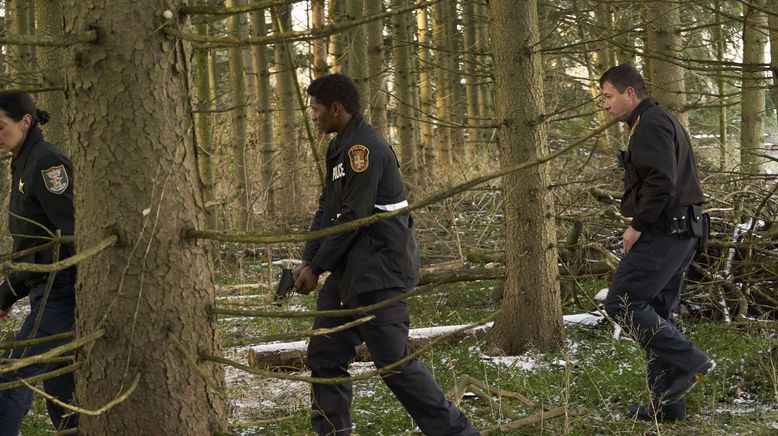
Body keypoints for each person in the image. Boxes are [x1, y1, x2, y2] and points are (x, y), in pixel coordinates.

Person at [293, 74, 478, 436]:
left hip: (380, 271)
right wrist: (308, 258)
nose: (312, 116)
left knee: (394, 362)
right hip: (349, 271)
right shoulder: (337, 147)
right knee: (324, 355)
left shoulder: (365, 149)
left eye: (315, 109)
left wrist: (317, 266)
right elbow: (328, 207)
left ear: (336, 108)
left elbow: (354, 217)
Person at [599, 65, 714, 422]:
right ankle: (668, 409)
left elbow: (661, 181)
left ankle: (690, 360)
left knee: (623, 303)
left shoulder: (650, 124)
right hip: (682, 230)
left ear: (630, 93)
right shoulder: (655, 121)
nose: (604, 105)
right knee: (658, 313)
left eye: (608, 96)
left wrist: (638, 224)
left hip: (666, 230)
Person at [0, 93, 77, 433]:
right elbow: (32, 243)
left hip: (61, 292)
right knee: (61, 387)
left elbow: (70, 233)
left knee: (14, 375)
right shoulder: (23, 160)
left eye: (0, 127)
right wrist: (8, 293)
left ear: (25, 122)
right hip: (43, 290)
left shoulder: (47, 163)